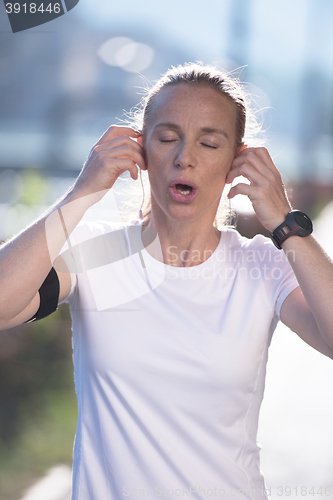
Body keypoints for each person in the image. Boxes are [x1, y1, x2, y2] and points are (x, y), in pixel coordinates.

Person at [0, 63, 332, 500]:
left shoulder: (261, 267)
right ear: (140, 149)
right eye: (167, 137)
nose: (185, 158)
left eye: (209, 142)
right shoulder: (96, 253)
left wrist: (286, 225)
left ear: (237, 161)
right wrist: (83, 192)